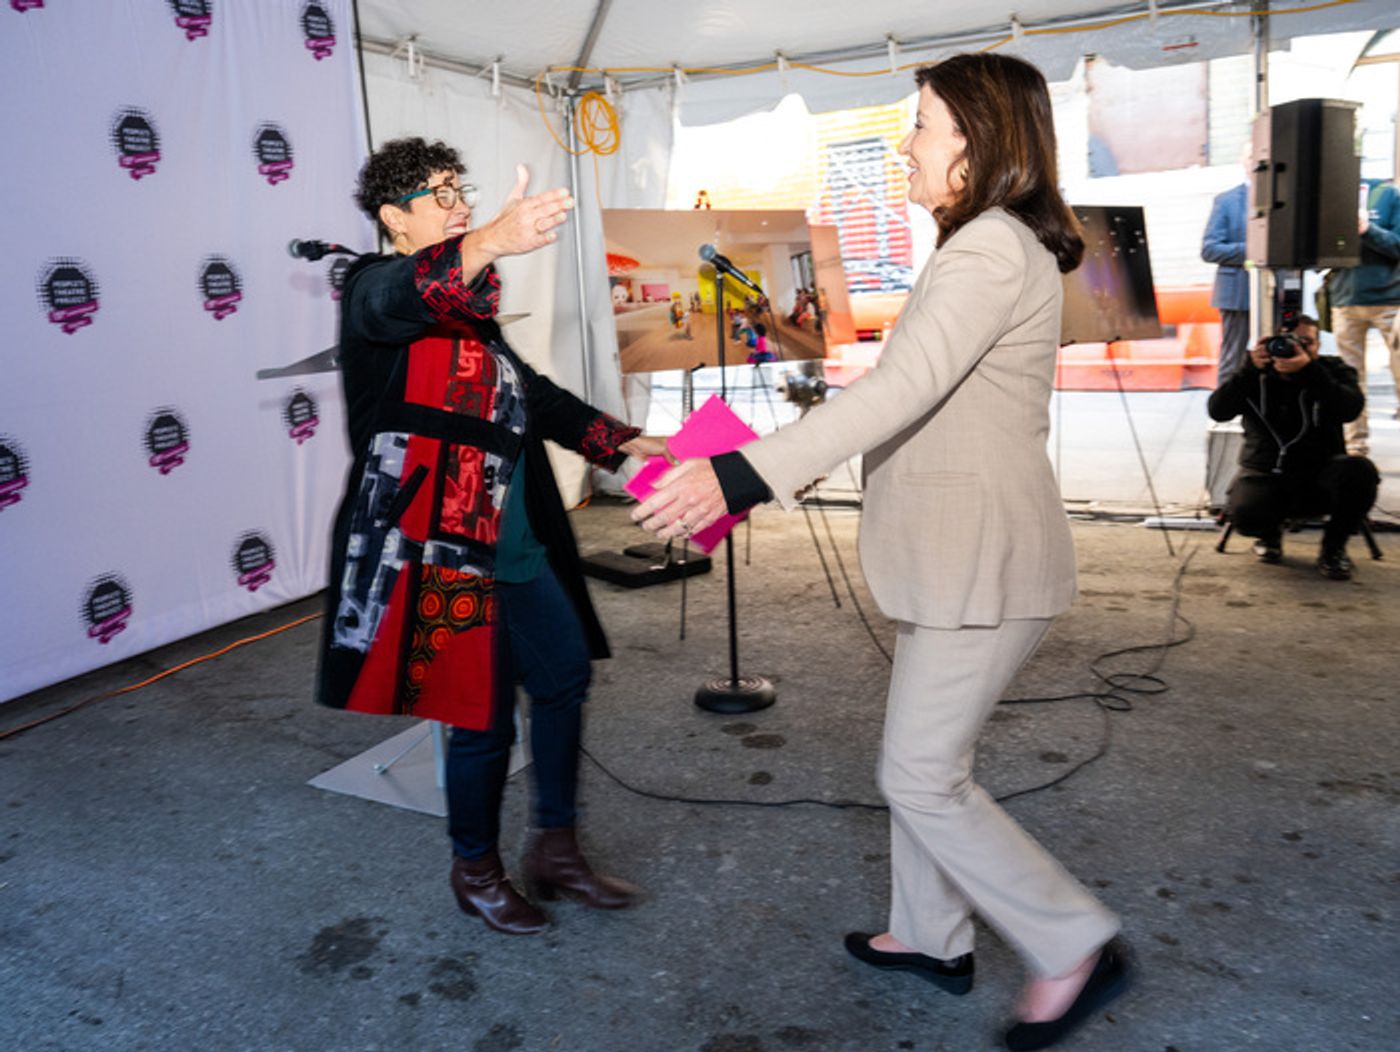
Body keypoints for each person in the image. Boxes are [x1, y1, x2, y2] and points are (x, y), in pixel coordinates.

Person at [633, 54, 1127, 1051]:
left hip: (976, 560)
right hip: (957, 555)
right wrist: (767, 457)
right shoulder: (990, 246)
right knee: (929, 757)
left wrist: (738, 474)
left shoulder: (988, 249)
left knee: (916, 773)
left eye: (921, 123)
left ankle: (1071, 939)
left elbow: (897, 392)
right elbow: (919, 395)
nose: (905, 142)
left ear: (974, 142)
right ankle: (928, 934)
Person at [316, 137, 669, 936]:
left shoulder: (472, 317)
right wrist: (488, 241)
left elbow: (534, 398)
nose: (460, 203)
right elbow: (394, 298)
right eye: (439, 195)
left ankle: (557, 849)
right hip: (438, 553)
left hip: (515, 545)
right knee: (477, 718)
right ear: (393, 219)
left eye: (460, 189)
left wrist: (620, 441)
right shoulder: (373, 289)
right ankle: (475, 868)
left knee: (564, 677)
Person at [1207, 315, 1378, 580]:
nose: (1295, 348)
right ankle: (1268, 536)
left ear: (1318, 346)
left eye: (1305, 342)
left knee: (1360, 471)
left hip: (1322, 473)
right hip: (1266, 474)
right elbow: (1218, 411)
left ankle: (1333, 549)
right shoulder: (1254, 373)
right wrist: (1249, 370)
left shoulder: (1332, 370)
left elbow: (1350, 409)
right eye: (1286, 342)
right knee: (1246, 514)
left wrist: (1311, 372)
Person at [1329, 180, 1400, 455]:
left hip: (1390, 301)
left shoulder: (1387, 195)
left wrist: (1368, 230)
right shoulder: (1329, 198)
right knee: (1350, 380)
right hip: (1346, 300)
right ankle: (1355, 448)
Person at [1201, 146, 1252, 384]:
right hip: (1237, 293)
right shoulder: (1227, 201)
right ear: (1244, 162)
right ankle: (1225, 413)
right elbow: (1210, 249)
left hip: (1277, 291)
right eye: (1252, 157)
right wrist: (1253, 250)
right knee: (1234, 356)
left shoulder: (1286, 200)